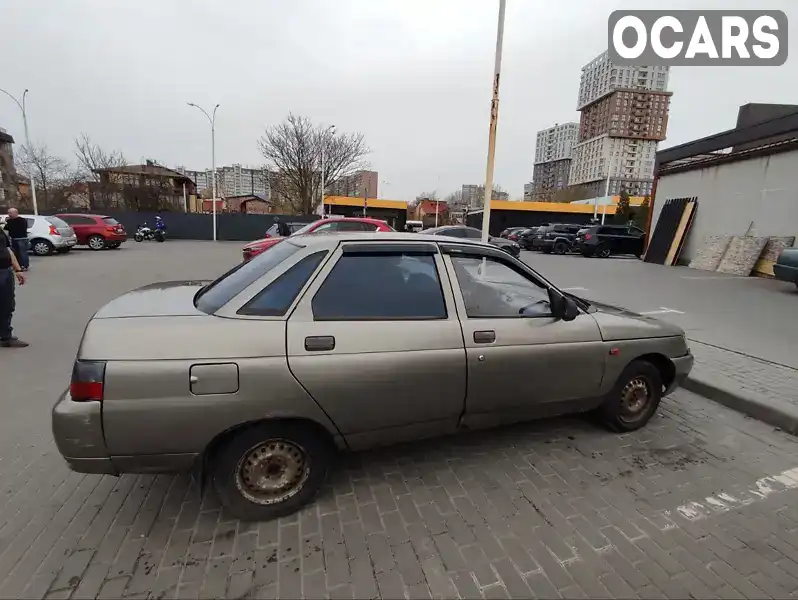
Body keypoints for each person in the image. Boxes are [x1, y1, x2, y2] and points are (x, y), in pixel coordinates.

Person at [0, 227, 27, 348]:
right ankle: (5, 337)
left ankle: (5, 334)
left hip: (5, 271)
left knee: (7, 304)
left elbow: (8, 250)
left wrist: (18, 269)